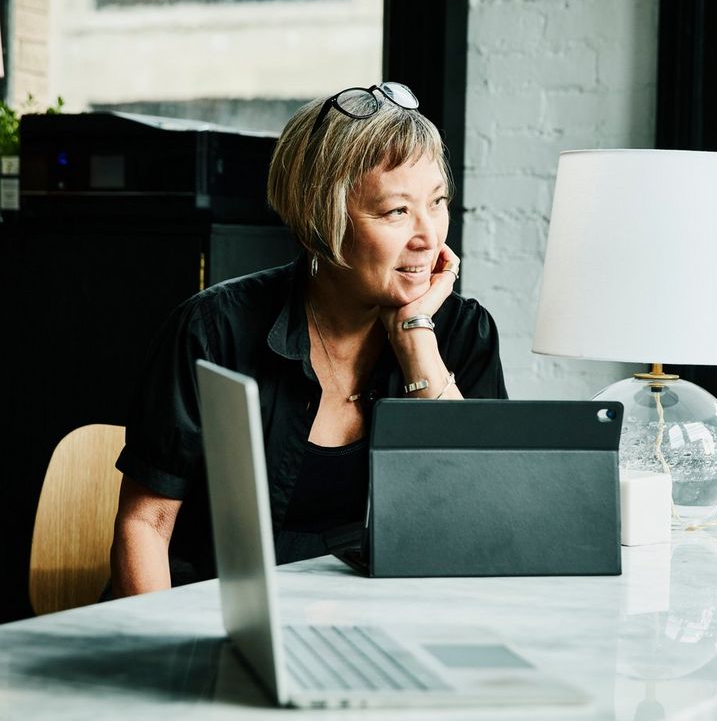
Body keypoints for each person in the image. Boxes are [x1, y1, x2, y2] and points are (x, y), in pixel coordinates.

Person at [110, 82, 507, 597]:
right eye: (396, 211)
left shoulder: (460, 332)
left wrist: (417, 342)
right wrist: (167, 658)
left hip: (381, 634)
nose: (429, 235)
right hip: (213, 624)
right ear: (322, 221)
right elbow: (146, 525)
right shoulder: (213, 331)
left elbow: (488, 521)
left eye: (438, 203)